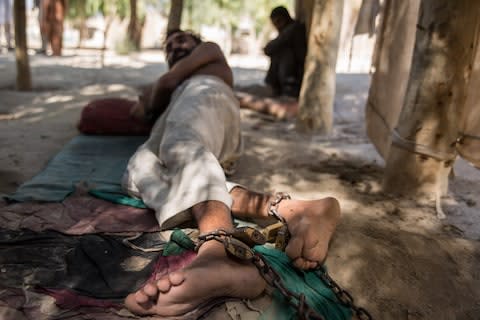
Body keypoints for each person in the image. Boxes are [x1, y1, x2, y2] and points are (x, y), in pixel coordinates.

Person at [123, 29, 340, 317]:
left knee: (181, 146)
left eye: (182, 41)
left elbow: (160, 88)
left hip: (204, 95)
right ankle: (294, 209)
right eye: (170, 47)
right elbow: (138, 111)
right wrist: (153, 99)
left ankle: (218, 249)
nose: (176, 47)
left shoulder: (207, 55)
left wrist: (153, 94)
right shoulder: (180, 83)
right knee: (139, 170)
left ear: (197, 43)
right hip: (187, 108)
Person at [264, 6, 307, 98]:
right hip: (291, 72)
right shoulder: (288, 30)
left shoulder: (294, 29)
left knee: (282, 51)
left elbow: (269, 48)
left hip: (296, 73)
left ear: (284, 19)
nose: (277, 26)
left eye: (278, 22)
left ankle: (288, 86)